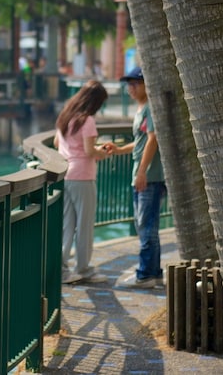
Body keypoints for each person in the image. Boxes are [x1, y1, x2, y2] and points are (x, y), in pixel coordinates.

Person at [106, 67, 167, 289]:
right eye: (128, 84)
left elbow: (153, 139)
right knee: (148, 225)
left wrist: (142, 171)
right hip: (143, 174)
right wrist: (120, 149)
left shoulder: (150, 108)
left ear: (145, 84)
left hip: (149, 176)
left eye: (135, 84)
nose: (130, 88)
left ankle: (144, 275)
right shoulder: (142, 108)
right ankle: (154, 273)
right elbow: (141, 142)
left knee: (146, 226)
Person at [54, 80, 110, 284]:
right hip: (83, 176)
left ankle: (61, 271)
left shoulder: (65, 116)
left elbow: (56, 143)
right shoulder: (87, 121)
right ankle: (84, 269)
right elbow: (89, 152)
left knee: (66, 226)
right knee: (84, 225)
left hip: (65, 174)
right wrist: (102, 152)